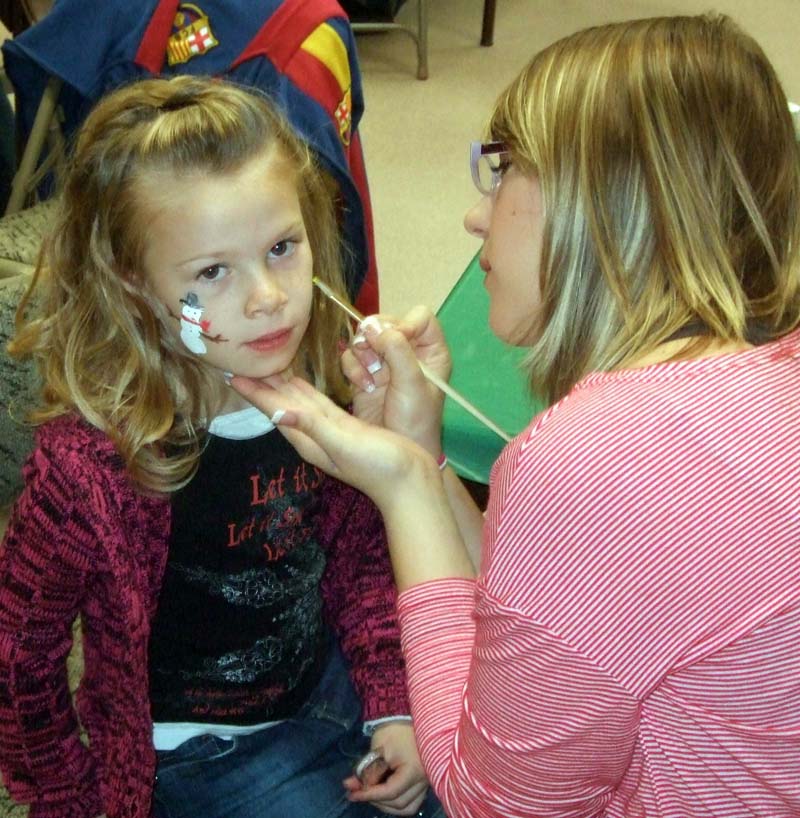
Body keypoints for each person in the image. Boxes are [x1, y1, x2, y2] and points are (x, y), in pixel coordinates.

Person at [231, 14, 800, 818]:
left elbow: (490, 802)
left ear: (599, 199)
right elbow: (559, 615)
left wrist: (400, 489)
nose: (475, 216)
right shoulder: (747, 385)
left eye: (501, 174)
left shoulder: (600, 459)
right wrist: (423, 452)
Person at [0, 75, 440, 818]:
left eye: (280, 247)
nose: (268, 296)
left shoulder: (318, 399)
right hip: (197, 752)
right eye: (213, 272)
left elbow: (361, 560)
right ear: (135, 284)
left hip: (328, 689)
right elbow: (19, 657)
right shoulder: (87, 470)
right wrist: (69, 800)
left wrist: (394, 706)